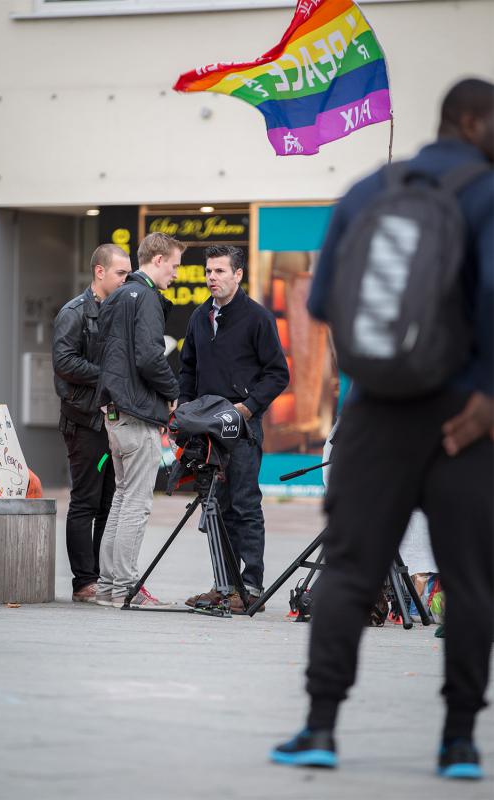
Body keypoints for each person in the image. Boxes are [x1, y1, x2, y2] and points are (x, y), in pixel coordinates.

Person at [271, 78, 493, 779]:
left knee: (347, 571)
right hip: (464, 415)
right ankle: (458, 741)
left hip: (371, 413)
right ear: (472, 121)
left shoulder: (367, 189)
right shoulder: (486, 193)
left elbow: (329, 297)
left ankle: (317, 728)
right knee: (469, 579)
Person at [179, 245, 289, 611]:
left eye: (220, 271)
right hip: (206, 432)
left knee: (244, 507)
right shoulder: (199, 317)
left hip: (241, 430)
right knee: (215, 509)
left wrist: (247, 407)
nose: (212, 278)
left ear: (238, 274)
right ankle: (225, 586)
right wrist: (183, 411)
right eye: (209, 271)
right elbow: (188, 370)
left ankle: (251, 588)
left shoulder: (257, 318)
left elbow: (278, 374)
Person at [94, 232, 184, 608]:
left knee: (121, 500)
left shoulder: (116, 296)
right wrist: (173, 392)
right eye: (175, 266)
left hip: (115, 414)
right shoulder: (145, 297)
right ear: (159, 260)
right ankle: (125, 587)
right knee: (136, 503)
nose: (177, 275)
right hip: (136, 414)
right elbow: (149, 357)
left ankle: (108, 587)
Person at [53, 244, 131, 603]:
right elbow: (64, 362)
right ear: (100, 272)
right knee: (85, 502)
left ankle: (98, 578)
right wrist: (108, 377)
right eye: (121, 273)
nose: (126, 279)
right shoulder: (74, 312)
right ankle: (84, 582)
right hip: (84, 424)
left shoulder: (119, 311)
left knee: (107, 502)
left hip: (110, 423)